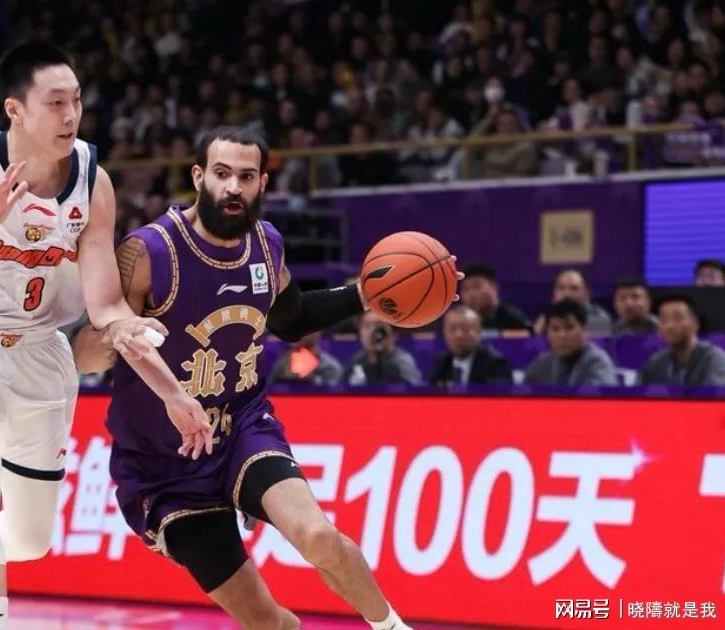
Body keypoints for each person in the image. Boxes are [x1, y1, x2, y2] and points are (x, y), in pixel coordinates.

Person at [0, 41, 210, 630]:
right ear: (15, 109)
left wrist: (163, 378)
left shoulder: (92, 182)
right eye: (55, 103)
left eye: (77, 101)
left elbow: (105, 305)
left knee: (30, 542)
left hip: (39, 356)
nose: (71, 115)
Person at [76, 126, 450, 629]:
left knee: (317, 536)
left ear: (262, 183)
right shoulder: (149, 253)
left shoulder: (267, 245)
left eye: (246, 176)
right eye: (222, 173)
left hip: (241, 428)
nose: (233, 186)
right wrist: (119, 333)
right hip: (162, 464)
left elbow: (291, 320)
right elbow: (82, 356)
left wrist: (367, 295)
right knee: (267, 622)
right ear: (198, 177)